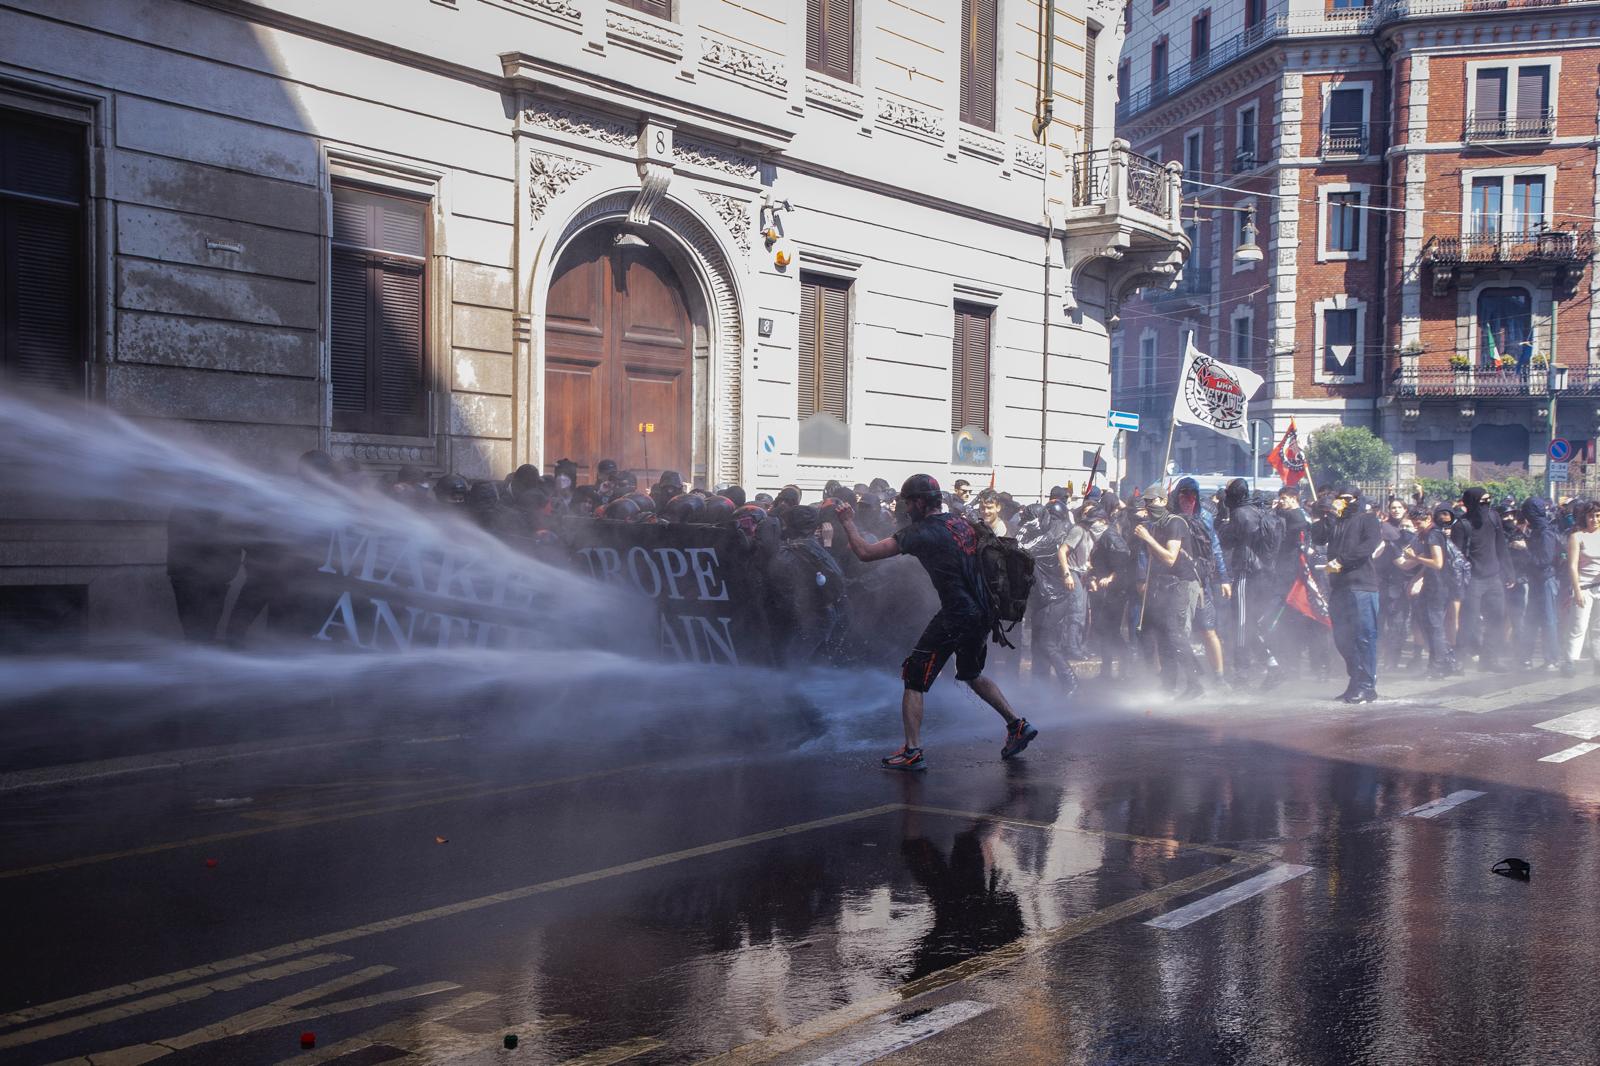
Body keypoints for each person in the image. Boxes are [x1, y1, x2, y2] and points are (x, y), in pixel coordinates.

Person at [835, 475, 1036, 771]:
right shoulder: (961, 522)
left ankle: (912, 751)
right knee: (971, 673)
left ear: (918, 502)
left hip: (957, 613)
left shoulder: (920, 532)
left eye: (907, 503)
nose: (904, 509)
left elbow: (865, 553)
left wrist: (848, 523)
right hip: (982, 612)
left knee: (914, 676)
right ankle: (1017, 725)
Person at [1132, 495, 1208, 696]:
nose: (1149, 507)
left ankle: (1195, 684)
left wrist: (1148, 538)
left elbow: (1169, 559)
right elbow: (1151, 559)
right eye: (1146, 504)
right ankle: (1169, 683)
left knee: (1175, 633)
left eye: (1152, 502)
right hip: (1163, 586)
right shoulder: (1155, 525)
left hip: (1182, 584)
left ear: (1163, 500)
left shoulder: (1175, 523)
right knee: (1162, 634)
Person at [1315, 484, 1383, 702]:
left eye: (1348, 498)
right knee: (1342, 637)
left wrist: (1342, 561)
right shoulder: (1337, 520)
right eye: (1340, 498)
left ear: (1356, 499)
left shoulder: (1368, 518)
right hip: (1340, 585)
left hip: (1361, 585)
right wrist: (1329, 516)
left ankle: (1367, 685)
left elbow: (1368, 546)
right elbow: (1318, 538)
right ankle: (1355, 680)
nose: (1344, 502)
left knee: (1364, 637)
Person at [1452, 487, 1510, 671]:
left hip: (1493, 577)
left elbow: (1502, 546)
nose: (1486, 505)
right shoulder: (1461, 525)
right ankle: (1460, 658)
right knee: (1468, 621)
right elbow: (1456, 557)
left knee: (1496, 619)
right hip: (1473, 580)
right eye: (1482, 501)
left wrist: (1509, 571)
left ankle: (1490, 659)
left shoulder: (1494, 518)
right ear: (1472, 503)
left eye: (1488, 501)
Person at [1398, 506, 1459, 678]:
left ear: (1428, 519)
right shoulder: (1427, 533)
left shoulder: (1433, 535)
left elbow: (1437, 563)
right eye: (1414, 524)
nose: (1416, 527)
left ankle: (1438, 666)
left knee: (1435, 625)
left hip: (1439, 586)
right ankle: (1442, 663)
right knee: (1430, 625)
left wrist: (1414, 557)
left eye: (1418, 523)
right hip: (1433, 585)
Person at [1564, 500, 1600, 674]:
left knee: (1598, 628)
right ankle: (1570, 662)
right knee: (1578, 626)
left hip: (1599, 587)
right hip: (1583, 587)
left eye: (1597, 516)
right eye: (1591, 516)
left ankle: (1598, 661)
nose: (1594, 519)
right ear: (1585, 517)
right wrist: (1577, 589)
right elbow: (1572, 565)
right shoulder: (1577, 536)